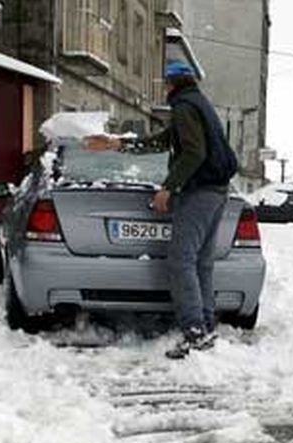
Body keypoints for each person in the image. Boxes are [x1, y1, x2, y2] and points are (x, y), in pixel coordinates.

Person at [85, 60, 239, 359]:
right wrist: (118, 144)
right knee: (201, 262)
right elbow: (164, 141)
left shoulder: (184, 106)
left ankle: (194, 331)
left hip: (200, 191)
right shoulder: (197, 104)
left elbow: (194, 152)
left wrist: (169, 187)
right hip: (217, 191)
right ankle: (205, 327)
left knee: (181, 261)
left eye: (165, 83)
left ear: (171, 84)